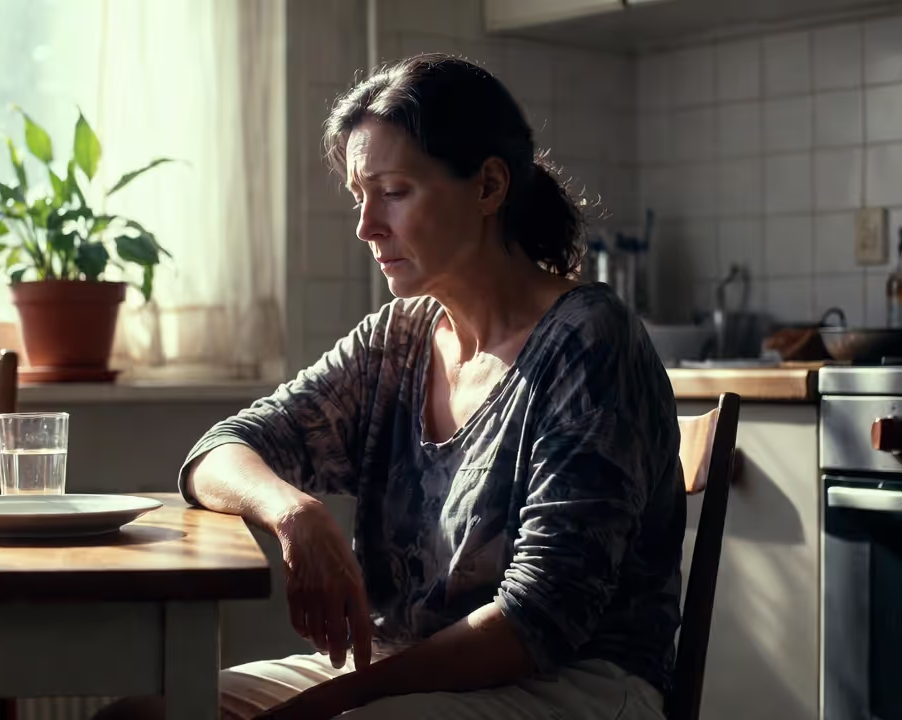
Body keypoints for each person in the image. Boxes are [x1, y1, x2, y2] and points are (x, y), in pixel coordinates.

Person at [101, 53, 683, 720]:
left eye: (395, 191)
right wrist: (297, 515)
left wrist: (331, 700)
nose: (366, 226)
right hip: (399, 666)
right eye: (359, 196)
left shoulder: (590, 341)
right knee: (140, 718)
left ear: (489, 186)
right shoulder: (398, 340)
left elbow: (541, 618)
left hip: (571, 682)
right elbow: (218, 452)